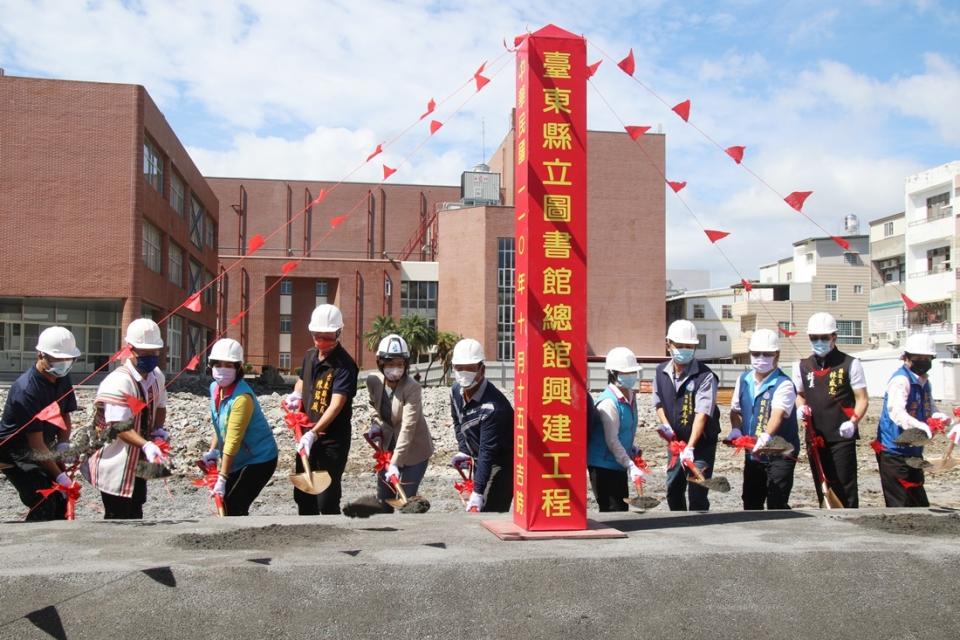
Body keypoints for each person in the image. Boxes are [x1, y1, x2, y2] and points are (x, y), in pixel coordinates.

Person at [82, 318, 169, 519]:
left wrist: (157, 430)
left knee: (137, 506)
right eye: (145, 353)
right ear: (130, 349)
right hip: (114, 461)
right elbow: (120, 427)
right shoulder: (118, 382)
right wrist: (146, 445)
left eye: (154, 353)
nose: (151, 357)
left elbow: (161, 407)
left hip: (137, 460)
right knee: (118, 514)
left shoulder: (156, 376)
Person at [284, 304, 358, 515]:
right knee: (303, 494)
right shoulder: (310, 356)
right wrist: (296, 395)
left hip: (331, 440)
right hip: (305, 434)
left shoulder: (344, 365)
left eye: (327, 337)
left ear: (338, 333)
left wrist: (315, 433)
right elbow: (302, 380)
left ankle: (330, 538)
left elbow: (336, 405)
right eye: (318, 337)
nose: (321, 342)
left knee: (326, 496)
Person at [0, 327, 81, 521]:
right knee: (45, 498)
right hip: (15, 452)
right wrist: (60, 477)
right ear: (40, 355)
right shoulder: (26, 389)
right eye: (57, 359)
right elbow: (35, 444)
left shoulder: (62, 378)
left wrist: (63, 444)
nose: (63, 364)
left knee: (63, 501)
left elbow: (64, 414)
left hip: (43, 445)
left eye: (67, 360)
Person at [792, 312, 869, 508]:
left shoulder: (850, 363)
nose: (819, 341)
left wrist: (854, 422)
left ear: (834, 336)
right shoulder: (803, 366)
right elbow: (799, 394)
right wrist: (801, 408)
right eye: (814, 337)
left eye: (824, 337)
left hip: (842, 434)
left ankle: (851, 520)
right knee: (822, 485)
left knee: (844, 483)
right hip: (815, 435)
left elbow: (862, 399)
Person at [200, 338, 278, 516]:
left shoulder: (242, 398)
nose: (222, 369)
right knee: (226, 503)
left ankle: (241, 542)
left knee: (234, 505)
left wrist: (222, 477)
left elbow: (232, 441)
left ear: (238, 368)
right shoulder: (214, 388)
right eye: (217, 364)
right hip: (238, 458)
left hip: (260, 459)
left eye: (228, 365)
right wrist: (213, 451)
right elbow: (220, 423)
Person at [653, 320, 721, 511]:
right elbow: (658, 403)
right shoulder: (660, 372)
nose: (684, 349)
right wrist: (667, 427)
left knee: (697, 489)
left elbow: (702, 413)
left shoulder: (705, 376)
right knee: (673, 488)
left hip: (700, 444)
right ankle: (678, 527)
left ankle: (700, 531)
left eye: (689, 346)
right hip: (676, 442)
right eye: (679, 345)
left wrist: (690, 447)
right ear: (668, 344)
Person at [728, 328, 799, 510]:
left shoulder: (784, 384)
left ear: (777, 355)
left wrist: (766, 436)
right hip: (753, 453)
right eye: (756, 353)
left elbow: (777, 413)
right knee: (751, 501)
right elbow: (736, 410)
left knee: (777, 501)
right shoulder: (743, 380)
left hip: (780, 452)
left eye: (767, 354)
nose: (761, 358)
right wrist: (736, 428)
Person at [875, 333, 947, 508]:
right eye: (919, 358)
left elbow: (929, 408)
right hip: (894, 451)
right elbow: (896, 412)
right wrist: (919, 426)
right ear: (907, 358)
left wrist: (939, 417)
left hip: (914, 451)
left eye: (927, 358)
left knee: (918, 500)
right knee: (900, 503)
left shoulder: (924, 382)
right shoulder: (901, 380)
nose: (923, 361)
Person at [363, 334, 434, 511]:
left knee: (406, 501)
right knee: (384, 497)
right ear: (380, 363)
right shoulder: (374, 381)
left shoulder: (412, 388)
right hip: (386, 448)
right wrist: (375, 423)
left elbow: (408, 427)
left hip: (413, 451)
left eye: (400, 364)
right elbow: (372, 404)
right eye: (390, 364)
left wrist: (395, 463)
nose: (395, 369)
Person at [449, 338, 514, 512]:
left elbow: (488, 451)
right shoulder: (455, 391)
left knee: (491, 510)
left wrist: (478, 492)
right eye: (459, 368)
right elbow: (458, 421)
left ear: (482, 369)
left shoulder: (493, 407)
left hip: (501, 462)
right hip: (479, 458)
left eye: (470, 368)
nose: (464, 373)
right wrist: (463, 449)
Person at [587, 347, 644, 512]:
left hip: (618, 462)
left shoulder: (631, 396)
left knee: (621, 509)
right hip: (603, 465)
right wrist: (630, 465)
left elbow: (625, 430)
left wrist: (632, 449)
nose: (631, 376)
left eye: (633, 372)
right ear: (612, 373)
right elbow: (612, 440)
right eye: (626, 372)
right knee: (613, 510)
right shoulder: (608, 403)